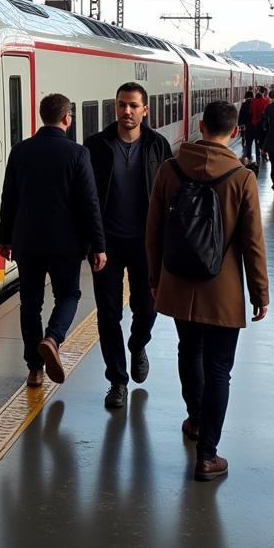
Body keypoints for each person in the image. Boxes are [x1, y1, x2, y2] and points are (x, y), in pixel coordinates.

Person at [146, 100, 268, 482]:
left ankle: (195, 419)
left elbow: (153, 232)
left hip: (179, 283)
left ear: (200, 126)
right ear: (234, 132)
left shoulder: (169, 170)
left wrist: (154, 280)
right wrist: (260, 293)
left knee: (188, 349)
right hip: (223, 288)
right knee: (219, 370)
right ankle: (207, 455)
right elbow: (252, 241)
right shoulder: (242, 176)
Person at [0, 93, 107, 388]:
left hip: (27, 243)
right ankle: (52, 338)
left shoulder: (20, 151)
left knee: (30, 303)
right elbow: (89, 203)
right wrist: (99, 245)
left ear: (40, 116)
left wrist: (4, 239)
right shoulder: (77, 154)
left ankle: (34, 370)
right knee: (68, 295)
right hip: (66, 244)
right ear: (67, 119)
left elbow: (9, 199)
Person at [85, 82, 173, 408]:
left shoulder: (158, 146)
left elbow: (169, 196)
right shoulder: (96, 146)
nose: (127, 111)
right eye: (122, 105)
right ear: (115, 108)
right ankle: (117, 381)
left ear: (144, 110)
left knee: (147, 308)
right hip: (106, 244)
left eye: (133, 106)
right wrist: (92, 241)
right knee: (108, 315)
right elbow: (86, 197)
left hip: (146, 244)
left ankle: (138, 344)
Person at [249, 86, 271, 162]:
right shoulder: (267, 101)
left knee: (257, 139)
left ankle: (258, 154)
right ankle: (263, 152)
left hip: (255, 123)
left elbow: (251, 113)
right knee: (264, 139)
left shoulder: (253, 102)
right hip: (264, 124)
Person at [238, 90, 255, 162]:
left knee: (246, 138)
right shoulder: (254, 103)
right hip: (252, 124)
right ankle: (250, 154)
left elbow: (241, 114)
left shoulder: (244, 104)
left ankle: (246, 151)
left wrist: (239, 123)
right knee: (251, 139)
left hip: (244, 123)